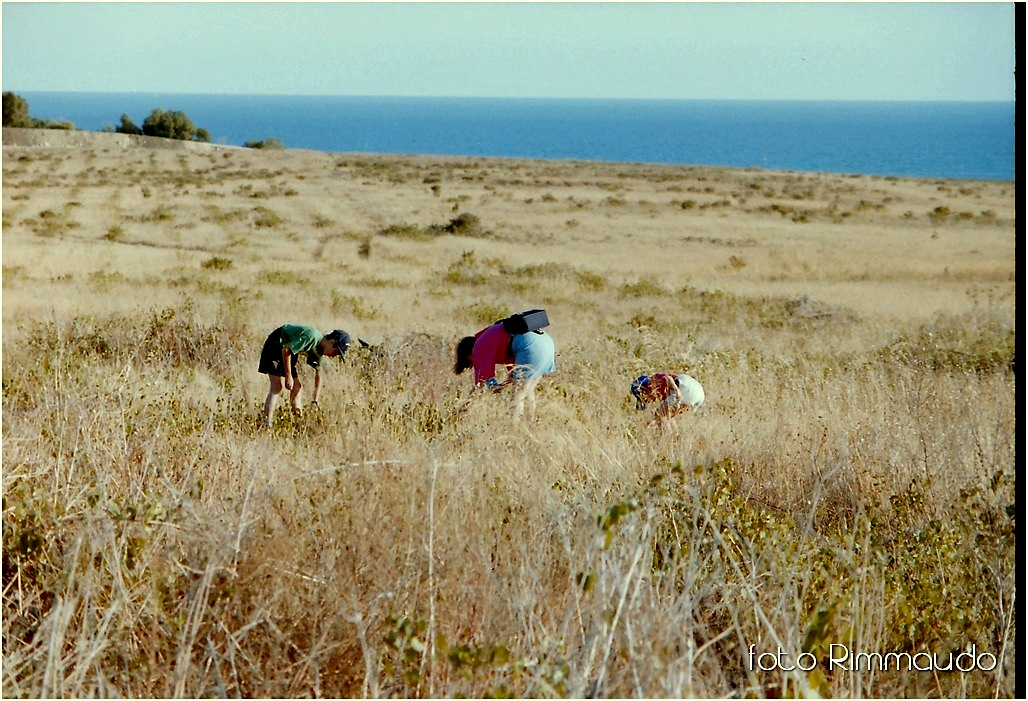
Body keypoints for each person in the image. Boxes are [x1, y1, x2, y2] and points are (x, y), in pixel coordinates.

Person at [454, 321, 556, 420]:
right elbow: (513, 375)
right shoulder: (492, 335)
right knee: (527, 391)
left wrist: (463, 410)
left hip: (531, 348)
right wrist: (500, 386)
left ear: (469, 355)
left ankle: (514, 431)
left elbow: (481, 384)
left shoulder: (479, 346)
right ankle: (530, 426)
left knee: (518, 395)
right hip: (546, 344)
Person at [259, 324, 351, 427]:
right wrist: (288, 376)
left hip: (289, 351)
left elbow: (319, 376)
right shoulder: (312, 337)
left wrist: (315, 400)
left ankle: (298, 424)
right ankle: (267, 423)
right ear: (332, 342)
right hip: (277, 343)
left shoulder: (320, 351)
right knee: (276, 386)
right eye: (336, 352)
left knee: (297, 387)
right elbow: (286, 350)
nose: (334, 356)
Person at [631, 372, 705, 427]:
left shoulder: (651, 383)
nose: (647, 401)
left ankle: (667, 440)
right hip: (698, 393)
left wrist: (676, 390)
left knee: (660, 414)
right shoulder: (661, 390)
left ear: (643, 391)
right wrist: (649, 424)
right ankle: (675, 439)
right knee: (667, 417)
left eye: (643, 398)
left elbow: (668, 378)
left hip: (686, 389)